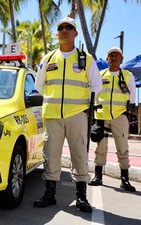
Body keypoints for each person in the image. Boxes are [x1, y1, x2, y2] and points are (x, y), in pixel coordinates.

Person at [34, 16, 102, 212]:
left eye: (69, 27)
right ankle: (50, 194)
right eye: (61, 27)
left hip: (77, 115)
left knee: (79, 154)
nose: (64, 30)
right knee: (51, 154)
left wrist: (82, 107)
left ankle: (81, 197)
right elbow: (40, 86)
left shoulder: (85, 59)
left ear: (75, 33)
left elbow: (96, 86)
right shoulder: (48, 59)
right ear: (57, 33)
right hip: (53, 115)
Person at [88, 47, 136, 192]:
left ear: (121, 59)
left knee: (122, 147)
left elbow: (132, 97)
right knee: (100, 148)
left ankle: (124, 179)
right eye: (111, 55)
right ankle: (98, 176)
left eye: (116, 55)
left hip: (119, 116)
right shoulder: (101, 75)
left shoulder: (128, 76)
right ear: (107, 59)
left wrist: (127, 114)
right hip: (101, 116)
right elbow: (94, 94)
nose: (113, 57)